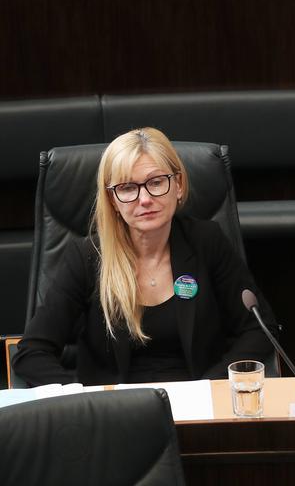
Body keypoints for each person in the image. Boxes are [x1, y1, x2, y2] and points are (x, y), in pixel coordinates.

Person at [13, 127, 275, 386]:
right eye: (128, 188)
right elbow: (32, 353)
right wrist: (84, 401)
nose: (145, 199)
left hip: (201, 408)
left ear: (179, 185)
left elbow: (259, 330)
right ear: (112, 200)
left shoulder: (207, 241)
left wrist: (211, 388)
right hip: (115, 416)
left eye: (156, 182)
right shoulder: (87, 258)